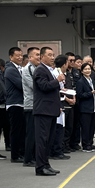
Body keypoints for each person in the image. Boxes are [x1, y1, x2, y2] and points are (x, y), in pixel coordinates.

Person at [33, 47, 65, 176]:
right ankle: (40, 166)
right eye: (49, 55)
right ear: (42, 57)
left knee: (49, 140)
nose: (52, 57)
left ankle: (46, 164)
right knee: (42, 139)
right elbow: (44, 86)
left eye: (53, 55)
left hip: (51, 109)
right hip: (43, 110)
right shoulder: (40, 70)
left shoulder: (49, 70)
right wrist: (57, 80)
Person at [5, 47, 25, 163]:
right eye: (17, 55)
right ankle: (15, 155)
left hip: (21, 103)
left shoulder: (19, 68)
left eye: (21, 55)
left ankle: (21, 153)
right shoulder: (10, 69)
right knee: (16, 131)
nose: (20, 57)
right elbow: (21, 84)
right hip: (15, 103)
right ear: (11, 57)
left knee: (21, 130)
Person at [76, 62, 95, 152]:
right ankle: (85, 145)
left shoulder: (92, 80)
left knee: (91, 127)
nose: (87, 71)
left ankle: (90, 143)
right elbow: (80, 95)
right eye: (85, 69)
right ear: (82, 71)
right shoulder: (80, 82)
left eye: (89, 69)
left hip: (93, 107)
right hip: (85, 108)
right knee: (85, 128)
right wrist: (91, 93)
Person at [21, 47, 39, 167]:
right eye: (36, 55)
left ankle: (34, 156)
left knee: (36, 133)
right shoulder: (27, 69)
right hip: (30, 105)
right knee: (31, 133)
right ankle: (28, 159)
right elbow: (34, 86)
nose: (39, 57)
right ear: (30, 57)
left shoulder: (36, 68)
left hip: (37, 105)